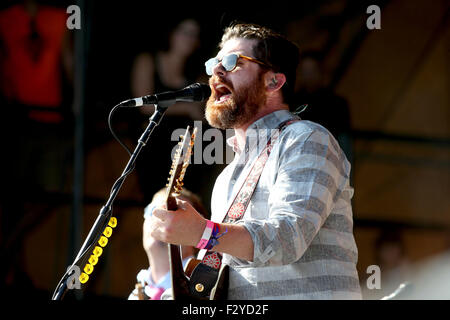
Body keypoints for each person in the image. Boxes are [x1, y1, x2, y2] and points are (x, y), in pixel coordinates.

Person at [148, 23, 361, 299]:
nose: (217, 71)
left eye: (232, 61)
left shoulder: (306, 139)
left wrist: (203, 231)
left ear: (273, 81)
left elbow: (287, 239)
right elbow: (227, 273)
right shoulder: (228, 176)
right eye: (215, 62)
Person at [128, 188, 209, 300]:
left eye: (172, 212)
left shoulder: (206, 287)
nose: (159, 219)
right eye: (153, 210)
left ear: (197, 232)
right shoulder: (136, 295)